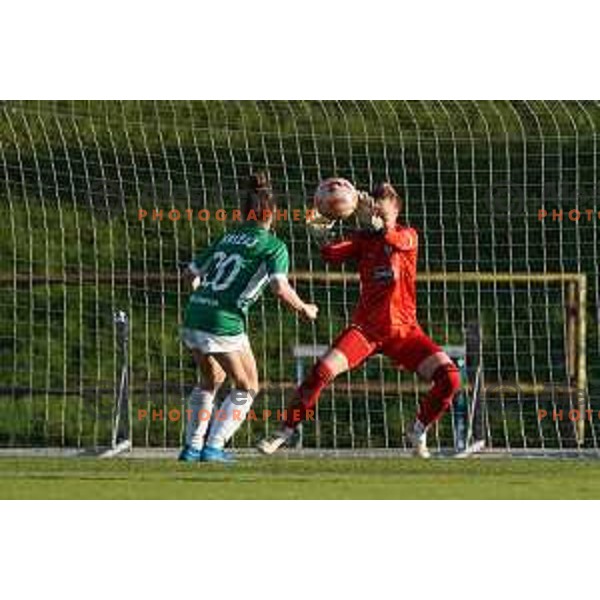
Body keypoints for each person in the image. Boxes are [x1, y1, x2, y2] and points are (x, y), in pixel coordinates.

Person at [257, 182, 461, 458]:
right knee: (320, 373)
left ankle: (418, 429)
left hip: (404, 332)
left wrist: (381, 227)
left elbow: (395, 241)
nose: (375, 209)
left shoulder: (408, 235)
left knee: (450, 379)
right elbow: (331, 254)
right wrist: (320, 235)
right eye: (372, 205)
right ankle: (283, 431)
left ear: (396, 209)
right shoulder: (363, 239)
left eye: (382, 206)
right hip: (366, 330)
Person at [179, 172, 318, 463]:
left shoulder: (227, 237)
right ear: (273, 214)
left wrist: (201, 296)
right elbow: (280, 288)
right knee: (248, 385)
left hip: (195, 313)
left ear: (243, 212)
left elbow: (190, 273)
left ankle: (192, 448)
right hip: (224, 320)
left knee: (210, 380)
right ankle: (214, 447)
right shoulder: (272, 245)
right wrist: (304, 308)